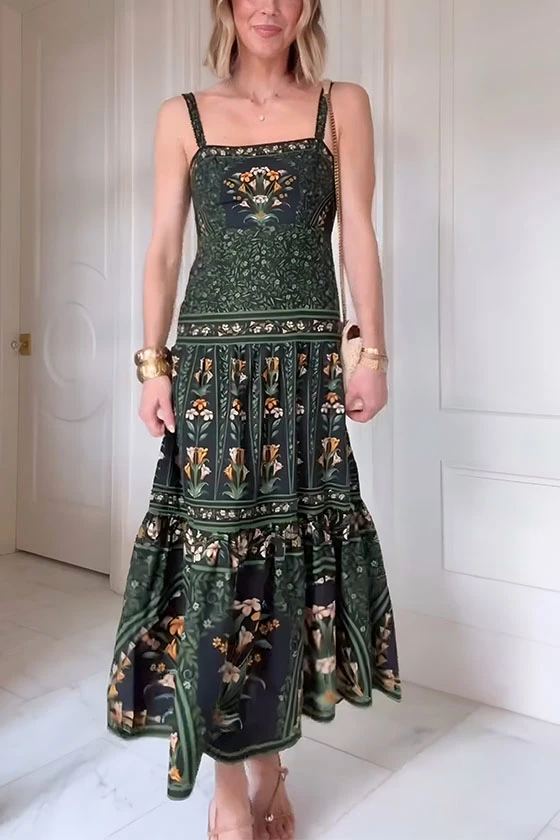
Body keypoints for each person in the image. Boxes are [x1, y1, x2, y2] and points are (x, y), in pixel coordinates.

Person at [107, 1, 401, 837]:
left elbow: (358, 234)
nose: (267, 6)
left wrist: (372, 354)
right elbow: (166, 246)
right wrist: (152, 363)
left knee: (284, 565)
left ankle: (271, 760)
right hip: (211, 372)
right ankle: (231, 784)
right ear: (227, 6)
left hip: (304, 372)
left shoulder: (343, 105)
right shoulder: (183, 116)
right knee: (218, 569)